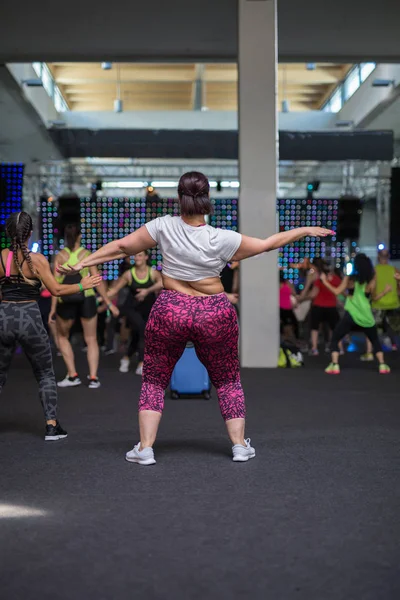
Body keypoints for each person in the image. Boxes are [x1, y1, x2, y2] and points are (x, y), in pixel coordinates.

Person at [58, 171, 333, 465]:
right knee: (227, 381)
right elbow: (268, 244)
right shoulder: (222, 238)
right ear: (207, 200)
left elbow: (122, 247)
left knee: (153, 380)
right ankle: (239, 446)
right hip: (213, 310)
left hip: (170, 309)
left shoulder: (162, 227)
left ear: (179, 197)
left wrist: (83, 263)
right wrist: (303, 230)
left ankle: (146, 449)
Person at [0, 211, 101, 439]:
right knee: (45, 373)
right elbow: (55, 290)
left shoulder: (1, 257)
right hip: (30, 318)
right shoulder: (37, 260)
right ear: (29, 233)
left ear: (9, 232)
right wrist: (82, 285)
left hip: (4, 316)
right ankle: (51, 426)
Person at [50, 224, 119, 389]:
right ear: (79, 236)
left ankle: (73, 375)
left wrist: (53, 309)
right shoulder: (87, 255)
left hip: (66, 299)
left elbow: (55, 285)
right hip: (87, 299)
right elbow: (97, 281)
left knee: (62, 337)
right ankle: (93, 378)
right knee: (91, 339)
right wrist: (108, 303)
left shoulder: (59, 256)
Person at [322, 253, 391, 375]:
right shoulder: (372, 280)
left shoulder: (350, 278)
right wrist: (385, 292)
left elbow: (337, 291)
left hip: (351, 314)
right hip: (366, 315)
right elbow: (373, 298)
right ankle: (383, 365)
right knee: (375, 340)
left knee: (336, 337)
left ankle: (334, 365)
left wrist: (325, 282)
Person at [106, 251, 162, 375]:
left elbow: (162, 282)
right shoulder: (129, 274)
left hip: (147, 308)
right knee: (143, 330)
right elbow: (114, 290)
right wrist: (100, 298)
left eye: (140, 255)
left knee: (138, 335)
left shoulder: (152, 272)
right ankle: (141, 362)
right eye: (135, 255)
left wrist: (147, 291)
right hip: (132, 308)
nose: (137, 258)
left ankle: (126, 357)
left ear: (146, 257)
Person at [299, 258, 342, 355]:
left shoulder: (317, 277)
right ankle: (337, 347)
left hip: (318, 305)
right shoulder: (334, 277)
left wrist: (301, 298)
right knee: (333, 327)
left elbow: (313, 293)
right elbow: (339, 290)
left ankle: (314, 348)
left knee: (314, 327)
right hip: (331, 306)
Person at [371, 249, 400, 351]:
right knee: (391, 327)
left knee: (377, 327)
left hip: (378, 303)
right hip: (393, 303)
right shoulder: (394, 270)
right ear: (389, 257)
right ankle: (392, 344)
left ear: (378, 257)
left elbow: (371, 288)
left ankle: (377, 347)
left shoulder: (374, 270)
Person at [279, 272, 298, 342]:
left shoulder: (276, 284)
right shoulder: (288, 284)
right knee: (290, 325)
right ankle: (289, 340)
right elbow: (294, 293)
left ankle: (288, 340)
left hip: (283, 309)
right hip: (285, 309)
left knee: (288, 326)